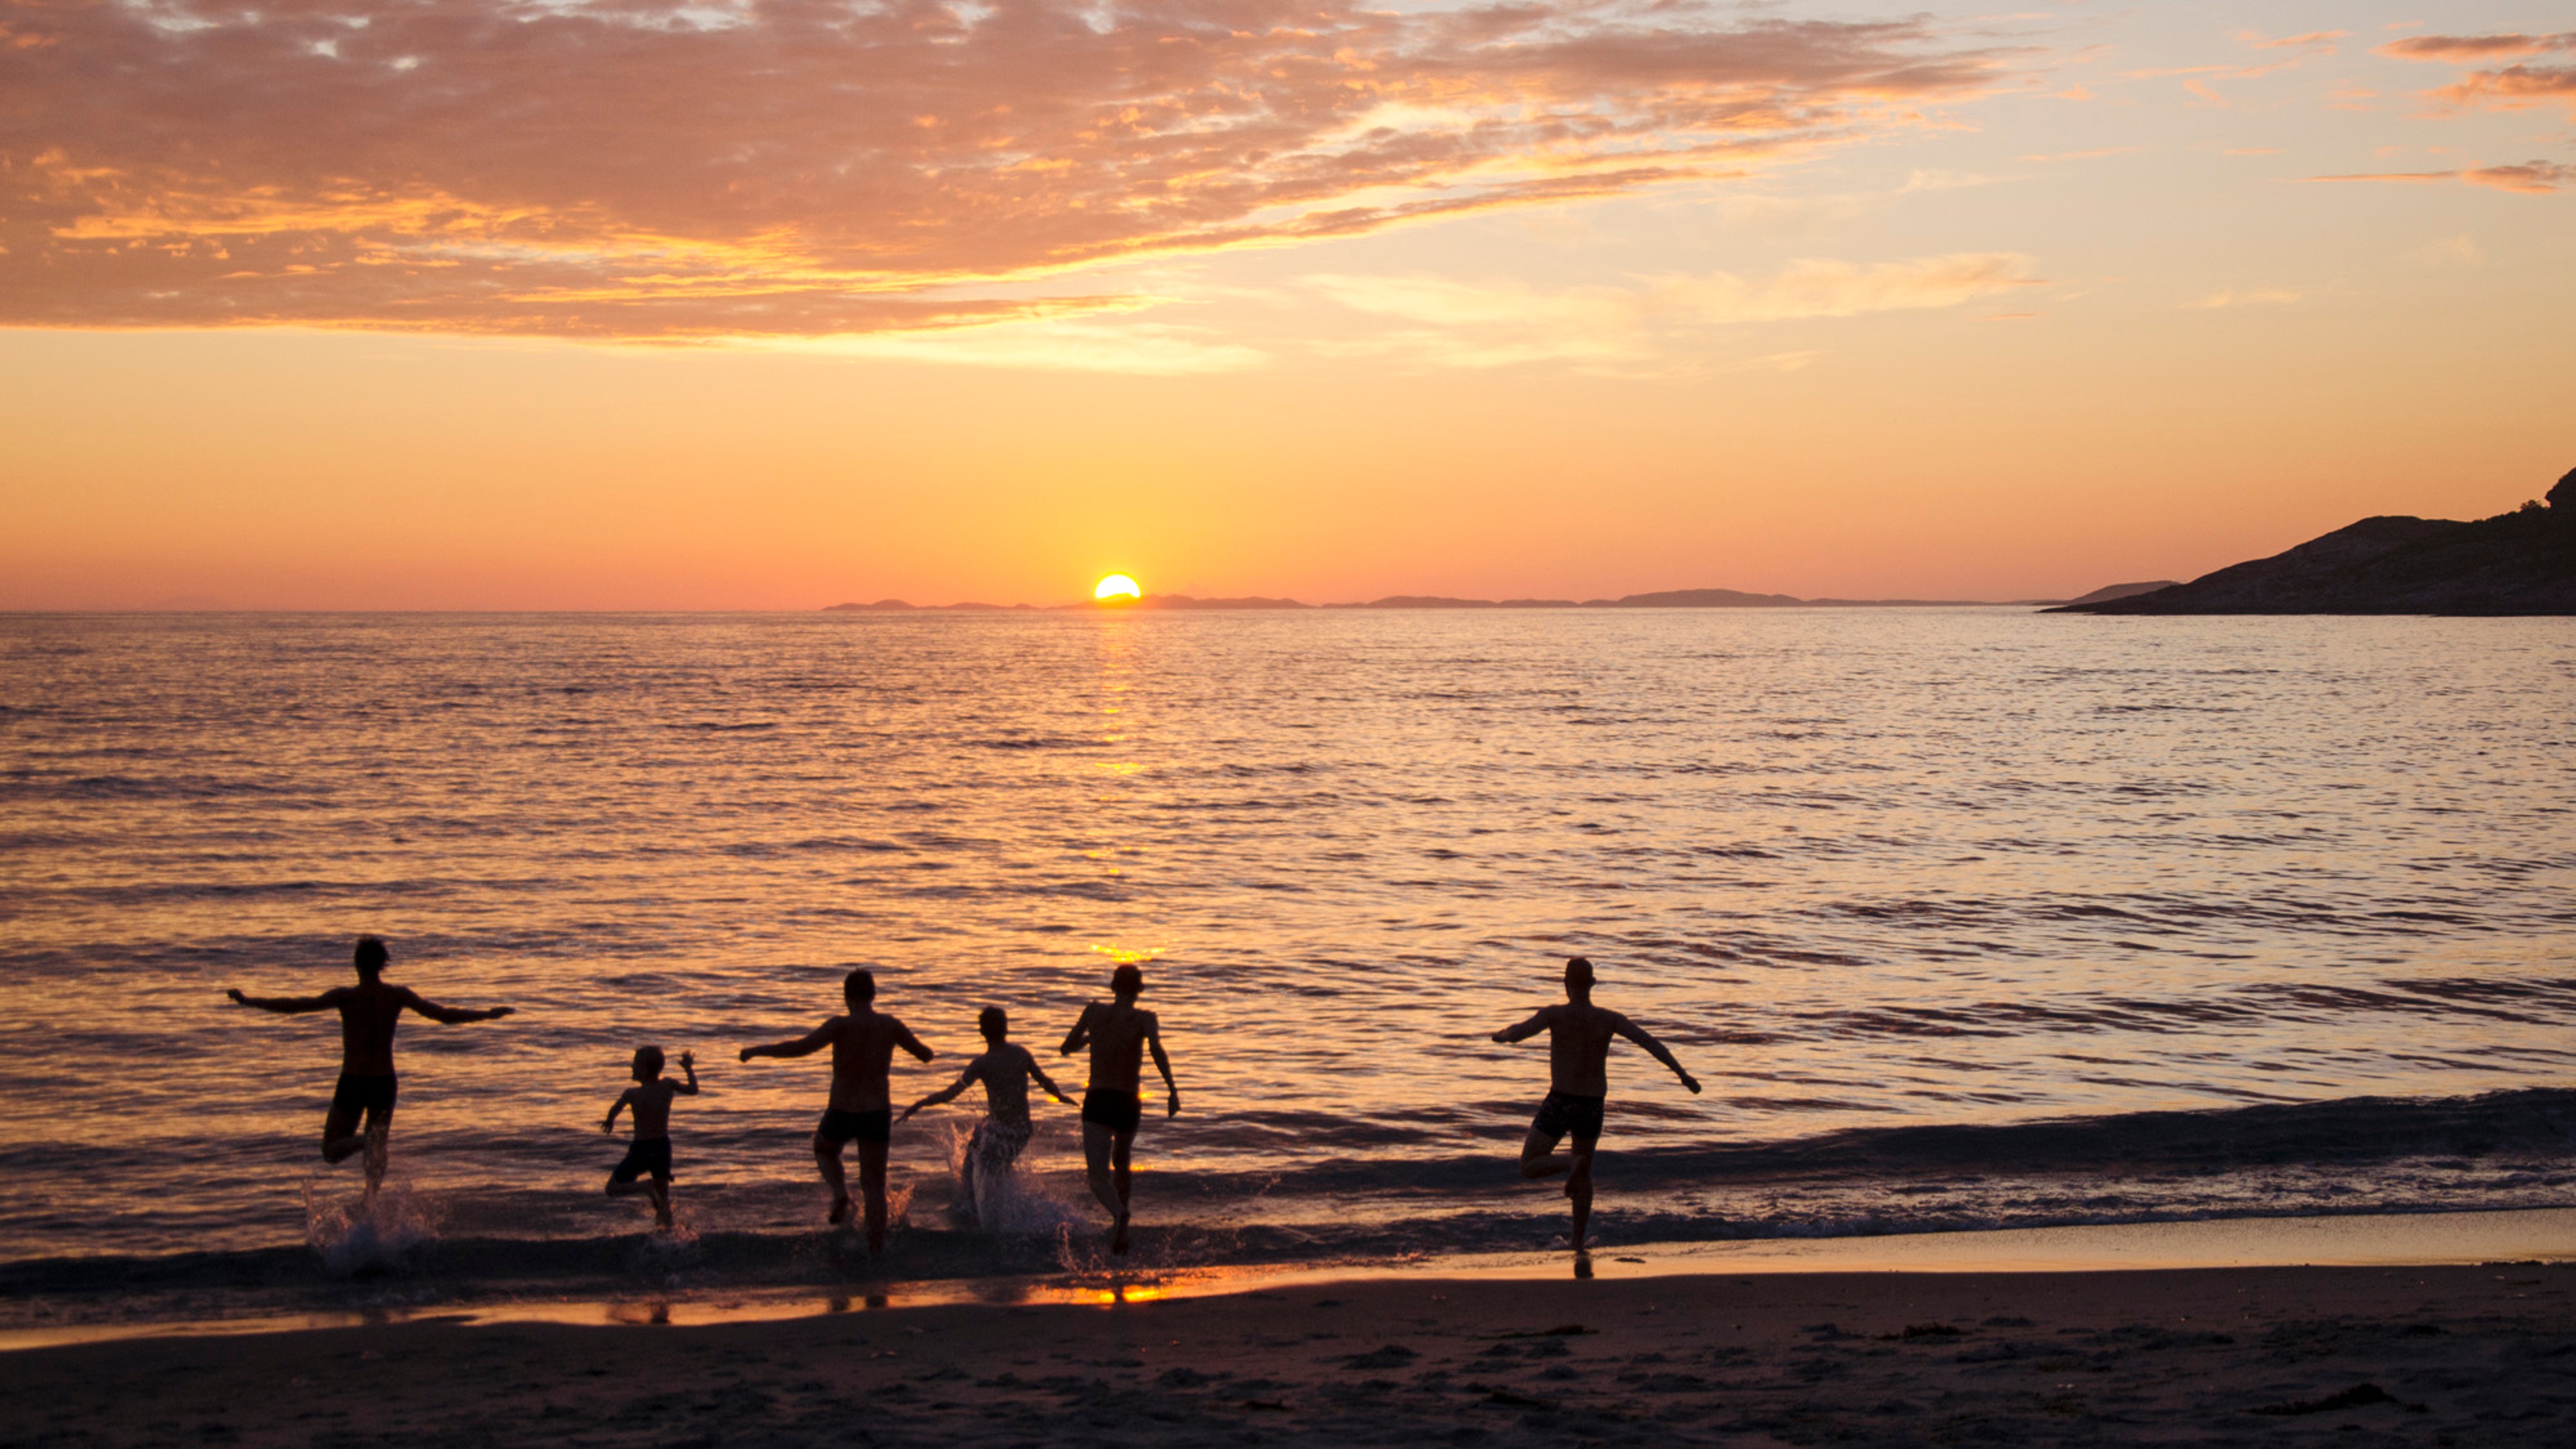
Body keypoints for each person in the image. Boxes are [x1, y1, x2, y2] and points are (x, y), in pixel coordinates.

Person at [224, 936, 515, 1198]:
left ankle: (363, 1142)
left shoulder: (346, 997)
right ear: (383, 965)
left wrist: (250, 1001)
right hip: (384, 1082)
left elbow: (296, 1006)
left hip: (354, 1080)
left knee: (331, 1151)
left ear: (356, 964)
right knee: (377, 1152)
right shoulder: (397, 996)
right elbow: (444, 1015)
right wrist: (487, 1015)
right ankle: (371, 1201)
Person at [1491, 955, 1700, 1248]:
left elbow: (1517, 1033)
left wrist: (1499, 1035)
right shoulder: (1609, 1019)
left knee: (1529, 1165)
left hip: (1562, 1100)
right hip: (1593, 1105)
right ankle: (1577, 1240)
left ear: (1565, 984)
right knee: (1585, 1173)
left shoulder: (1554, 1015)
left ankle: (1569, 1164)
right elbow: (1649, 1042)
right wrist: (1683, 1074)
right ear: (1593, 984)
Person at [737, 968, 932, 1252]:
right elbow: (925, 1055)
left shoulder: (839, 1026)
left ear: (846, 996)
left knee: (824, 1149)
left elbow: (800, 1048)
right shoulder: (890, 1025)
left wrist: (757, 1050)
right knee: (874, 1184)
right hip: (877, 1110)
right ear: (874, 994)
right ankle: (875, 1250)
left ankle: (841, 1193)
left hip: (842, 1108)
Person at [898, 1007, 1074, 1224]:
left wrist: (920, 1103)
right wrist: (1061, 1096)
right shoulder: (1021, 1054)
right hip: (1022, 1132)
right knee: (978, 1136)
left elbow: (951, 1094)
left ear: (982, 1032)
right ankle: (1003, 1202)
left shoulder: (982, 1064)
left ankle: (980, 1213)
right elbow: (1045, 1081)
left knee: (980, 1165)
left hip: (1001, 1135)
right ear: (1006, 1028)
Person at [1058, 964, 1179, 1254]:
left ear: (1112, 987)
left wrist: (1089, 1039)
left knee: (1097, 1176)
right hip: (1127, 1100)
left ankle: (1118, 1213)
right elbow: (1157, 1052)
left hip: (1099, 1097)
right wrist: (1172, 1091)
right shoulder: (1145, 1018)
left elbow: (1066, 1048)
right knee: (1122, 1163)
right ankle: (1121, 1231)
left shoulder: (1093, 1012)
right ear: (1140, 990)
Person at [602, 1045, 700, 1229]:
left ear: (644, 1070)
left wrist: (610, 1121)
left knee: (612, 1189)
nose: (631, 1067)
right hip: (662, 1147)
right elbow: (693, 1090)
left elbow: (615, 1109)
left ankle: (644, 1188)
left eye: (634, 1064)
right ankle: (666, 1236)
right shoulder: (668, 1085)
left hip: (642, 1149)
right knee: (663, 1198)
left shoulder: (632, 1094)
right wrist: (688, 1068)